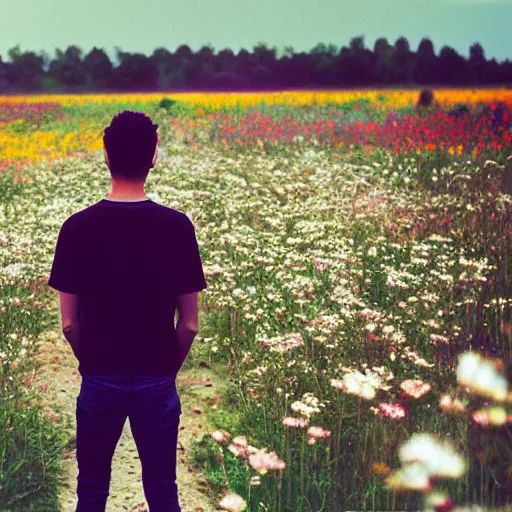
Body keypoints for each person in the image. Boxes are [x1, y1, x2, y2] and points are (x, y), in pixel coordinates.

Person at [47, 110, 208, 512]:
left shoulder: (77, 227)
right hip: (157, 378)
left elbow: (69, 323)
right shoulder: (177, 227)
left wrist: (97, 359)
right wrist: (166, 368)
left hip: (100, 378)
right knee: (162, 490)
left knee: (92, 491)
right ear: (153, 157)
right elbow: (188, 324)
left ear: (106, 155)